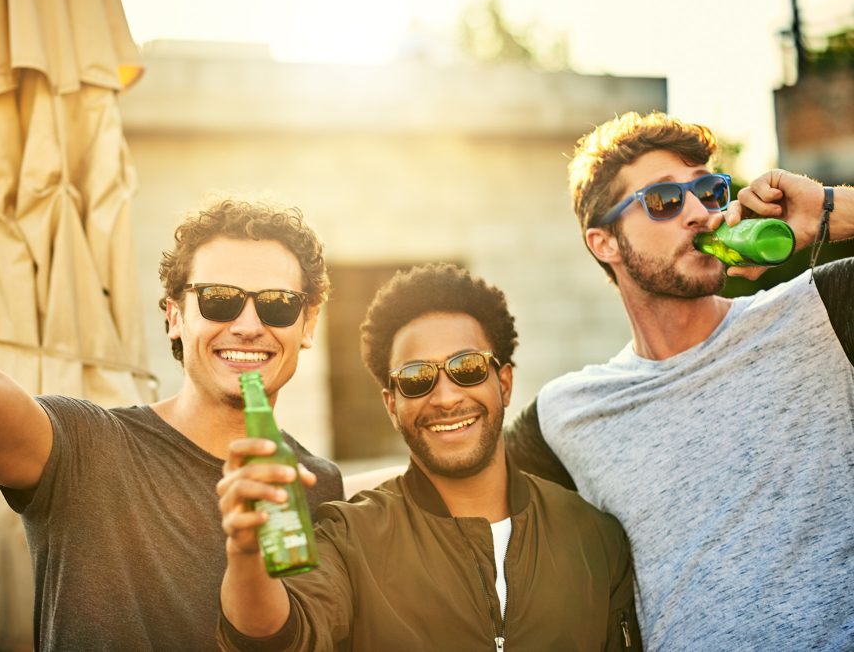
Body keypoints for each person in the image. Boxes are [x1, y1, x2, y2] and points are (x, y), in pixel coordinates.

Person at [0, 153, 343, 650]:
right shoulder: (88, 450)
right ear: (174, 316)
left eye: (278, 304)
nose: (248, 324)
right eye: (218, 299)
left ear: (308, 324)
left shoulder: (320, 485)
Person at [504, 112, 854, 649]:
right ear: (605, 243)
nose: (700, 213)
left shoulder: (820, 310)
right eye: (664, 200)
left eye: (711, 192)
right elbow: (448, 483)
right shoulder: (569, 412)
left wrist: (833, 210)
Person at [216, 263, 642, 651]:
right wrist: (248, 555)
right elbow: (280, 638)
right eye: (416, 378)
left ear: (505, 383)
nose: (446, 396)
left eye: (469, 367)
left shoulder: (595, 539)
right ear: (390, 403)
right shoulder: (349, 539)